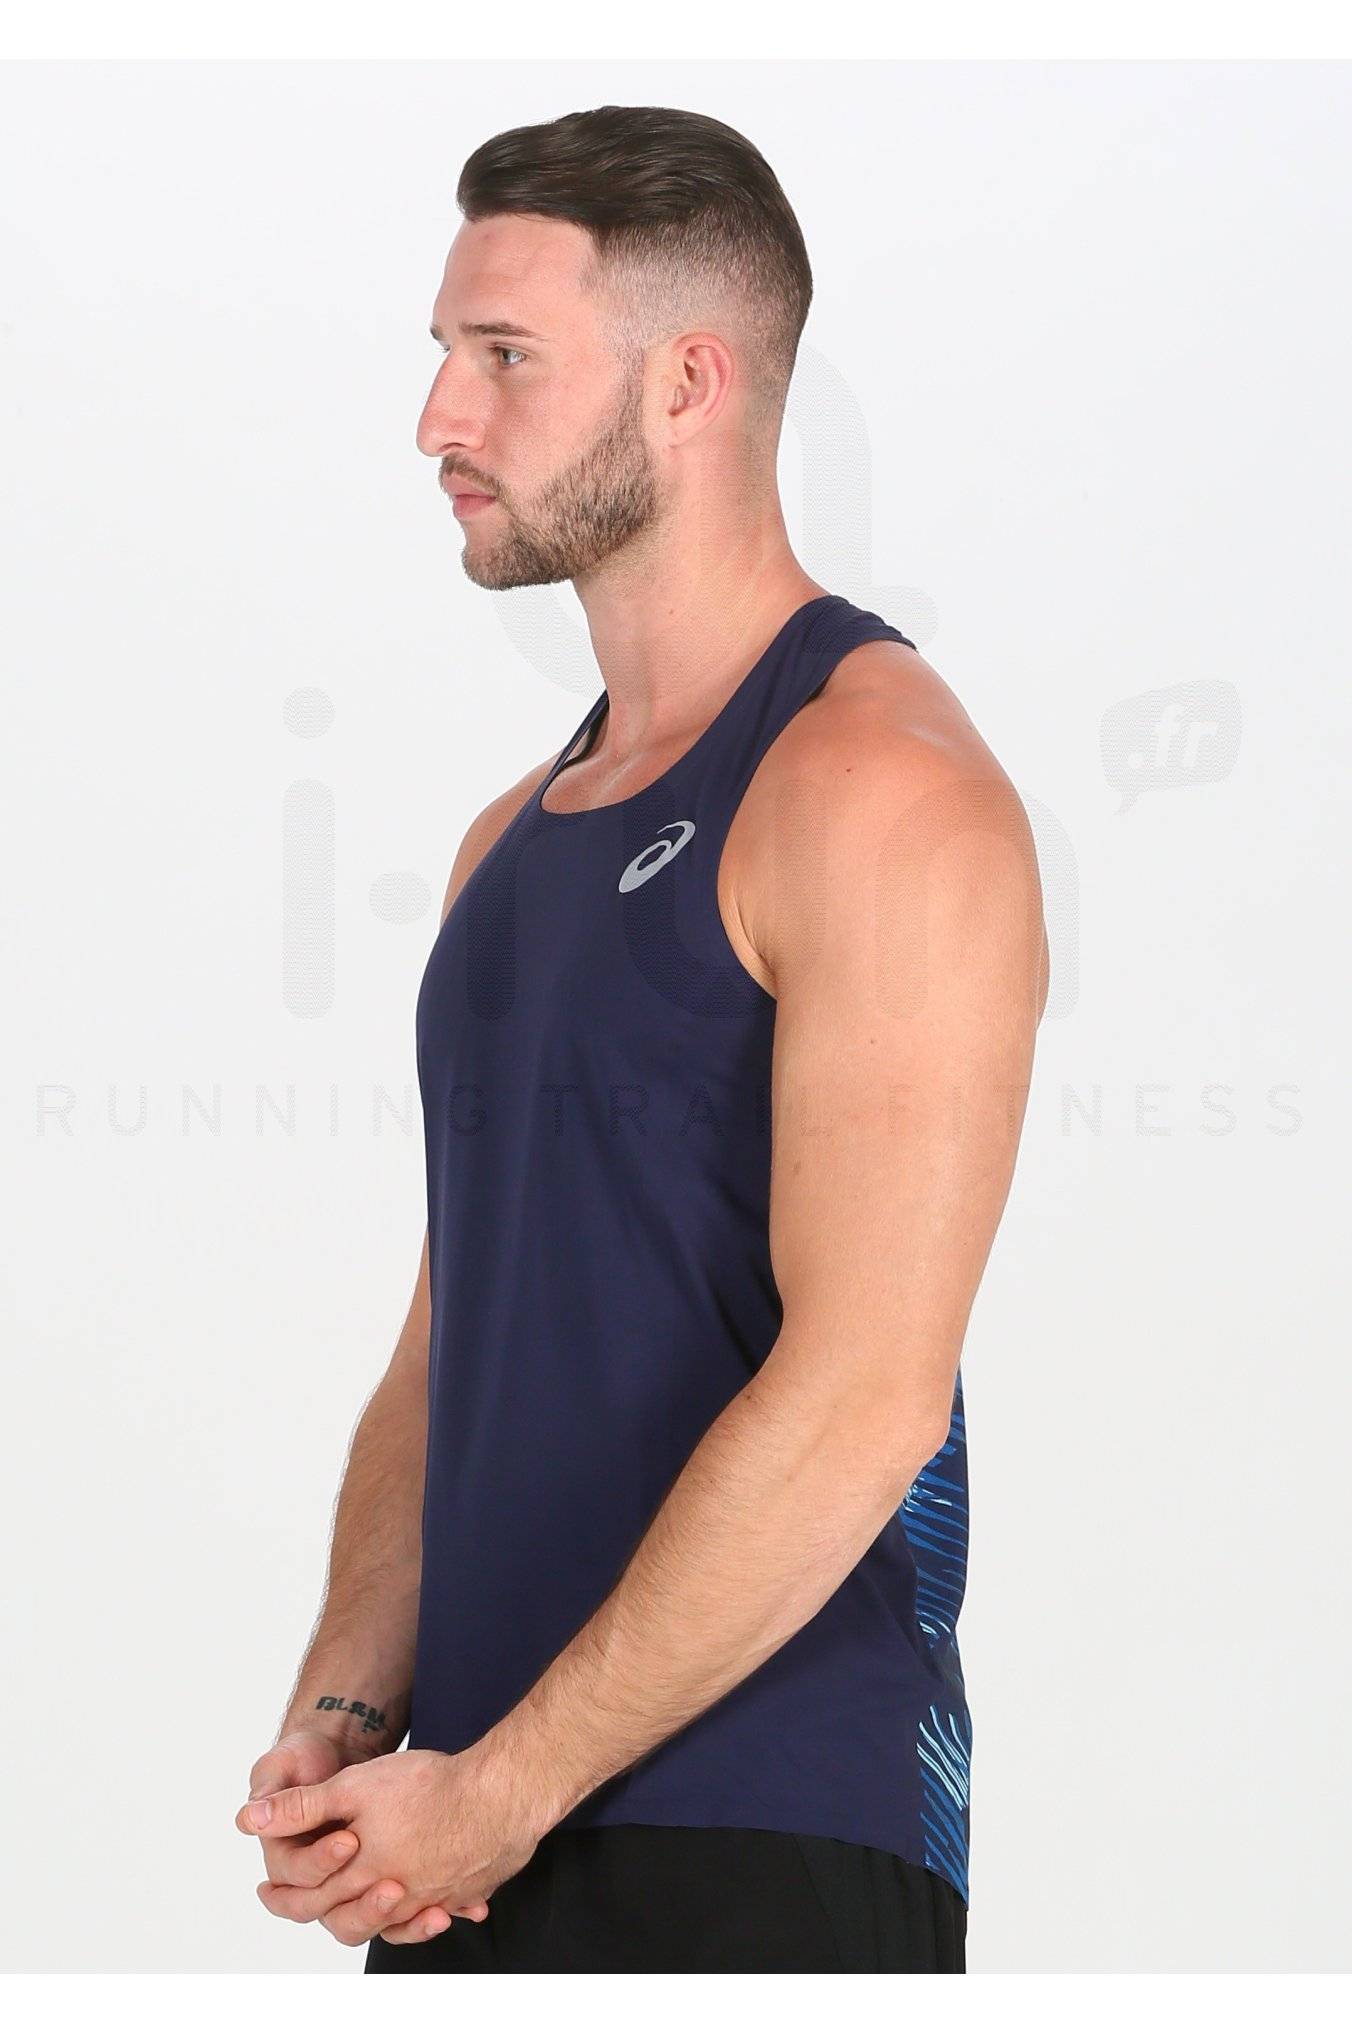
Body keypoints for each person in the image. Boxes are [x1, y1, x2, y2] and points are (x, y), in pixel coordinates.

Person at [235, 102, 1048, 1974]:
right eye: (443, 353)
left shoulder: (879, 790)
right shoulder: (505, 847)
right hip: (471, 1825)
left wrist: (503, 1788)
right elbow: (451, 1337)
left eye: (504, 356)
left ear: (689, 382)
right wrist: (352, 1710)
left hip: (768, 1825)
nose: (438, 418)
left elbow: (867, 1395)